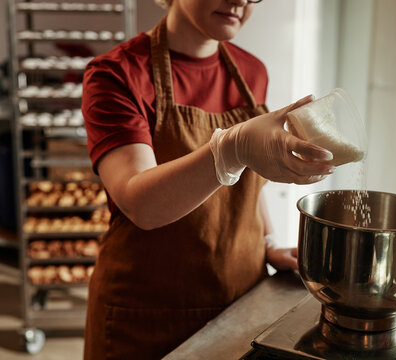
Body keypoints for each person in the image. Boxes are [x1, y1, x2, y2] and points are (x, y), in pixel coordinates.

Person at [82, 0, 335, 358]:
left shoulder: (251, 72)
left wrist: (268, 241)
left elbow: (245, 181)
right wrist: (229, 150)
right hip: (146, 317)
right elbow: (141, 204)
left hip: (240, 300)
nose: (240, 1)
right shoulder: (117, 74)